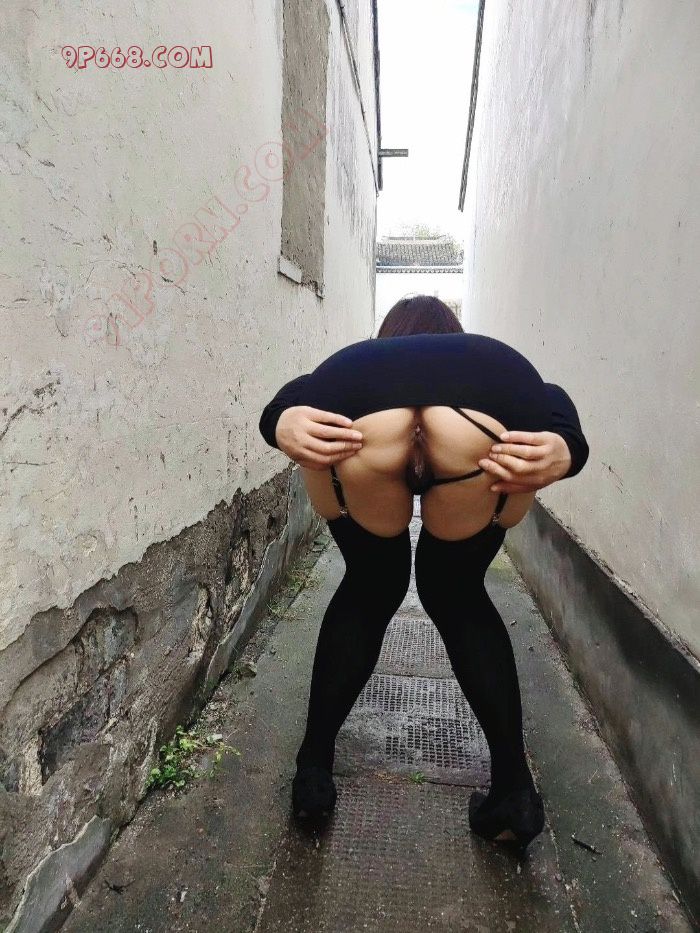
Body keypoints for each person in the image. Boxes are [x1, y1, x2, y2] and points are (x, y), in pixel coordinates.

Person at [258, 296, 589, 854]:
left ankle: (313, 775)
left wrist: (278, 419)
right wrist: (568, 446)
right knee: (455, 592)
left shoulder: (364, 366)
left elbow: (301, 389)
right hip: (491, 408)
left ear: (388, 339)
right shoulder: (480, 365)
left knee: (370, 586)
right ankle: (514, 792)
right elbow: (551, 398)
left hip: (357, 412)